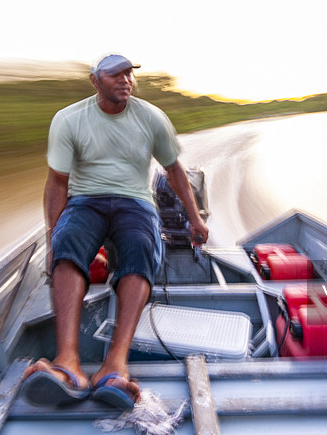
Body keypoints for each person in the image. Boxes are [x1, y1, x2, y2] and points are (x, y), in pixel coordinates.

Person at [21, 53, 209, 409]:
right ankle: (68, 363)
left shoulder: (152, 117)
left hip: (134, 201)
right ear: (95, 81)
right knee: (68, 242)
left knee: (141, 245)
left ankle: (114, 365)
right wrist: (52, 239)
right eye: (115, 75)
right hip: (85, 200)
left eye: (129, 74)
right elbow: (57, 183)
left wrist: (195, 218)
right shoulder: (69, 119)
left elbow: (175, 172)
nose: (125, 80)